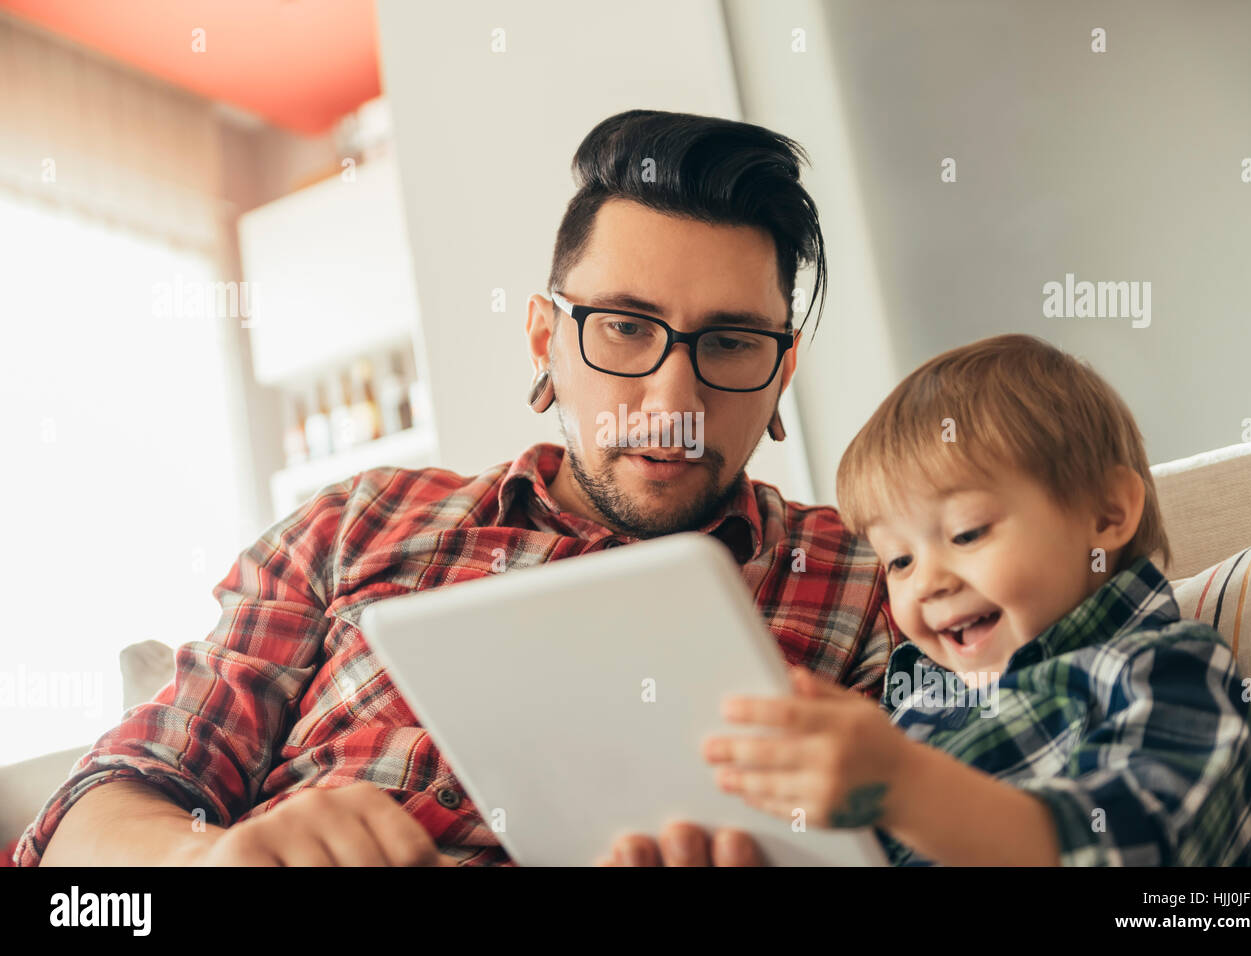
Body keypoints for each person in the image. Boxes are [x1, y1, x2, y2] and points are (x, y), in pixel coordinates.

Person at [17, 110, 896, 867]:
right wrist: (205, 856)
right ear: (545, 340)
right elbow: (106, 803)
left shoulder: (874, 577)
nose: (672, 402)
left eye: (732, 342)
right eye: (624, 328)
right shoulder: (358, 521)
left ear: (782, 375)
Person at [702, 334, 1251, 865]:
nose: (928, 583)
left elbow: (1137, 853)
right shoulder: (920, 707)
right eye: (899, 561)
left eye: (967, 533)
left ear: (1108, 514)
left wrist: (905, 785)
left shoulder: (1162, 668)